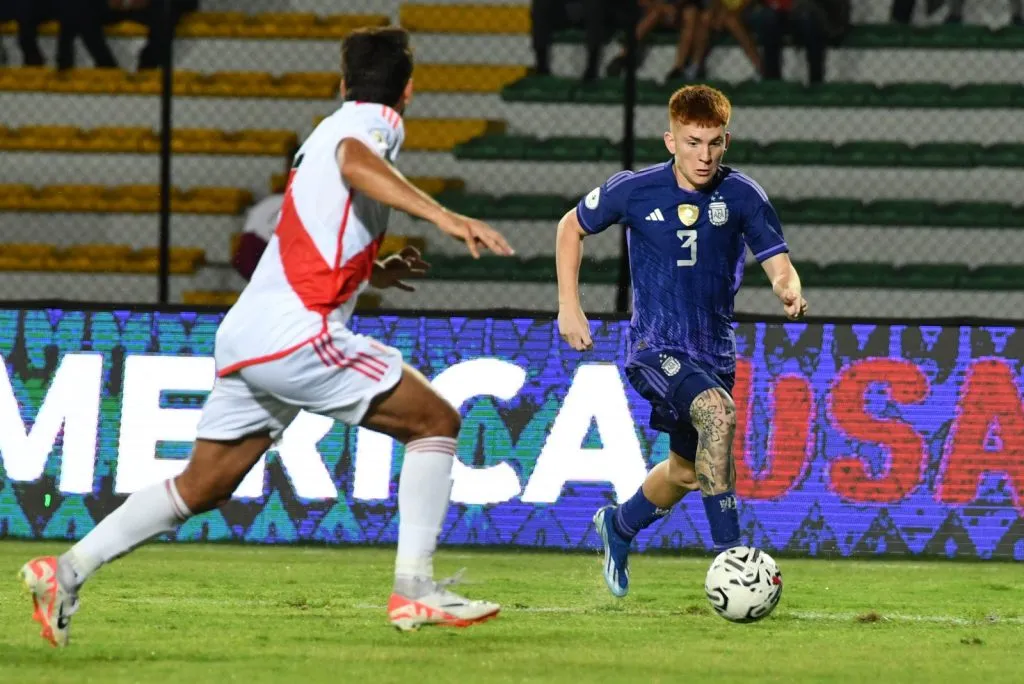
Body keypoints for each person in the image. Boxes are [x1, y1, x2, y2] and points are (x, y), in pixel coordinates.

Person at [19, 26, 515, 647]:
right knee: (435, 420)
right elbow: (356, 164)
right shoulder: (373, 124)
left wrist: (377, 269)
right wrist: (445, 215)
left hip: (249, 333)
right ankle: (414, 589)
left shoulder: (325, 129)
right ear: (408, 91)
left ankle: (64, 570)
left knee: (202, 486)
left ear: (341, 83)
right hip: (297, 332)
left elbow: (318, 228)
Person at [554, 84, 807, 597]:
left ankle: (619, 526)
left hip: (713, 352)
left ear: (727, 140)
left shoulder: (743, 196)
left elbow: (778, 262)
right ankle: (733, 561)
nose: (704, 155)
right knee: (717, 412)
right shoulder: (635, 190)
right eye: (693, 142)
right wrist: (569, 304)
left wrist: (788, 287)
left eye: (714, 143)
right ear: (670, 140)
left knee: (687, 472)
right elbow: (569, 227)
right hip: (655, 347)